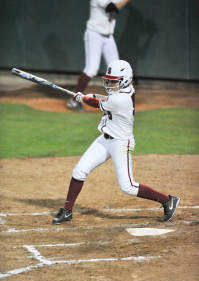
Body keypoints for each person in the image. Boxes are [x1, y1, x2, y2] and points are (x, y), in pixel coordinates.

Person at [52, 59, 181, 225]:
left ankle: (167, 200)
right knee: (79, 171)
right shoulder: (123, 90)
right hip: (104, 140)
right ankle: (67, 211)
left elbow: (97, 103)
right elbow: (103, 98)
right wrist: (86, 96)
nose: (110, 84)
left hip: (121, 143)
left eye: (114, 81)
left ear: (125, 80)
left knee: (127, 186)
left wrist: (83, 98)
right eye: (110, 80)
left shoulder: (121, 99)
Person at [67, 0, 131, 112]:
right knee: (91, 69)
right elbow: (111, 8)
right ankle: (73, 100)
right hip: (94, 34)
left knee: (117, 70)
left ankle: (118, 103)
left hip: (108, 36)